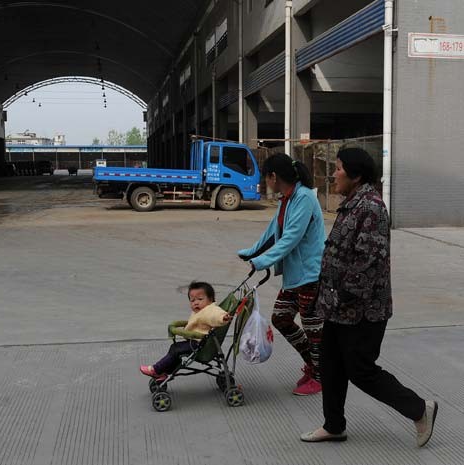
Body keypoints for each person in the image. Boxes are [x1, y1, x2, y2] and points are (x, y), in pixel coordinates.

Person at [300, 147, 437, 447]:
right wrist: (324, 297)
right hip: (338, 307)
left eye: (338, 168)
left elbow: (368, 261)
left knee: (361, 371)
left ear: (356, 174)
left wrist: (342, 296)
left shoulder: (371, 207)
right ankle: (334, 426)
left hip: (363, 311)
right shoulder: (352, 203)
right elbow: (339, 256)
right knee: (331, 365)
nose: (333, 174)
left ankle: (419, 409)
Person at [237, 153, 325, 396]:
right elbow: (272, 231)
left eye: (266, 177)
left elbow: (290, 238)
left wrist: (262, 261)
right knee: (281, 318)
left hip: (311, 275)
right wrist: (251, 252)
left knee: (313, 329)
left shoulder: (305, 198)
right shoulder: (286, 199)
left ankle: (320, 375)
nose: (266, 181)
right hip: (295, 276)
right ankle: (316, 365)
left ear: (274, 176)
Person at [140, 282, 231, 379]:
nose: (196, 302)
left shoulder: (210, 310)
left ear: (211, 299)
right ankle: (164, 370)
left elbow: (215, 315)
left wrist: (223, 318)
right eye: (192, 300)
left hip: (199, 344)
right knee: (175, 348)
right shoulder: (200, 311)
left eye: (200, 299)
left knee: (176, 349)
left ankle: (156, 370)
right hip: (198, 342)